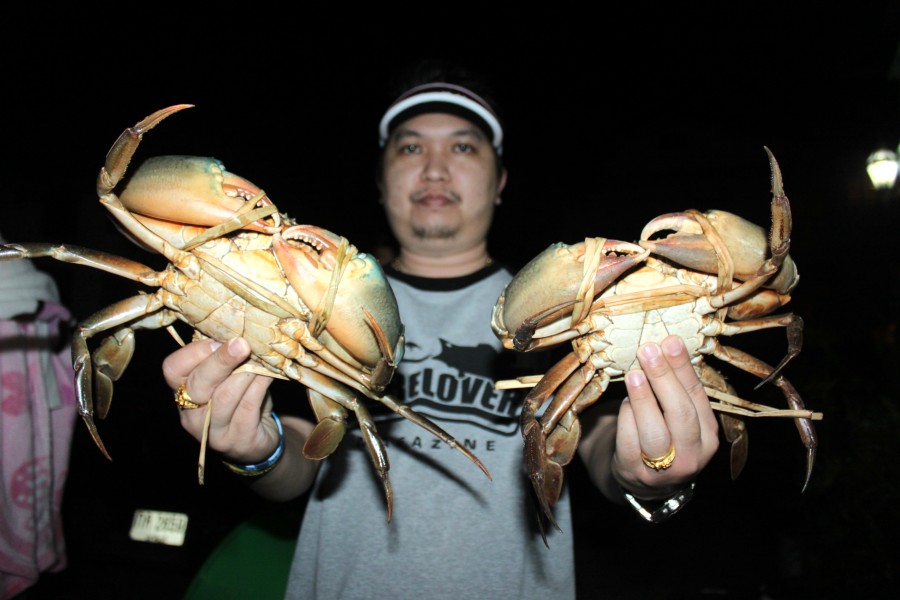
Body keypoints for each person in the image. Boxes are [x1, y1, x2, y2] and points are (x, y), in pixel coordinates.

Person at [162, 62, 720, 599]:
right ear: (379, 180)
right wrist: (252, 448)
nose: (434, 169)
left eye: (462, 146)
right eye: (410, 147)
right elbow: (299, 464)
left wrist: (654, 472)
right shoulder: (302, 293)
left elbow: (601, 447)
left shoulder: (564, 307)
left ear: (500, 181)